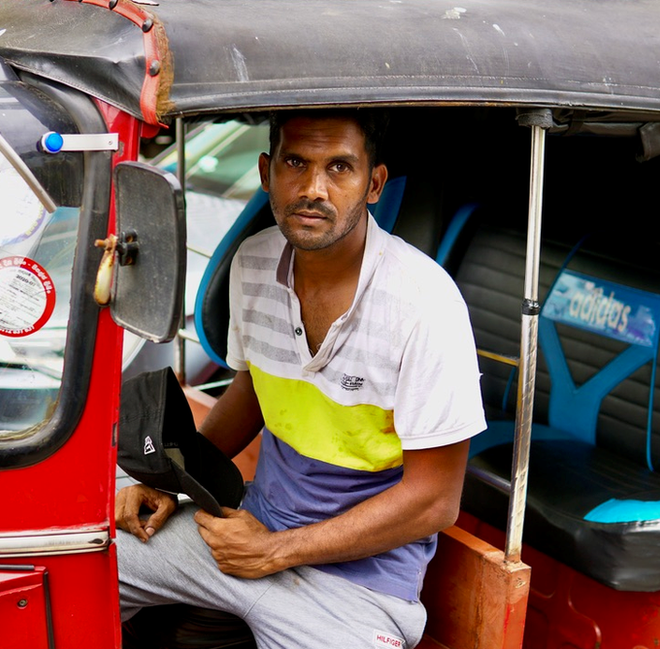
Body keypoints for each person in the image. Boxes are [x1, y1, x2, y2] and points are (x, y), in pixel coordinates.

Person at [115, 109, 487, 649]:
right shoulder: (253, 262)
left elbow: (435, 501)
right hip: (243, 529)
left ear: (374, 184)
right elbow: (255, 389)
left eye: (340, 167)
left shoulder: (424, 304)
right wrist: (167, 480)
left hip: (359, 585)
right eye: (296, 163)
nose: (313, 188)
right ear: (267, 173)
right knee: (77, 555)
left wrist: (277, 551)